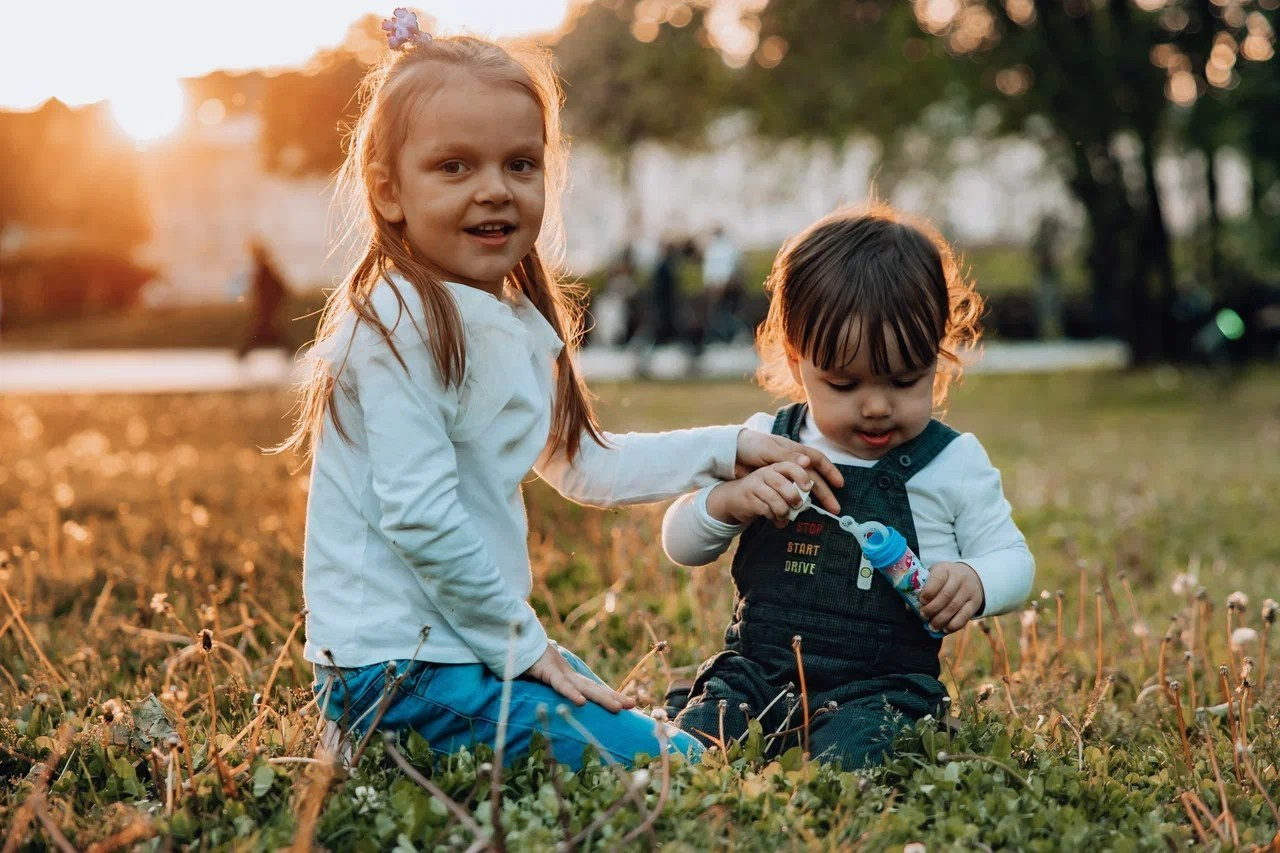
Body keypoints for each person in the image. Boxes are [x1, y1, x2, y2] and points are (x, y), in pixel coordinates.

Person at [272, 11, 845, 772]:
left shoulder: (503, 318)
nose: (495, 191)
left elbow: (584, 463)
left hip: (455, 646)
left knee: (628, 723)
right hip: (397, 670)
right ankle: (371, 741)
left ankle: (399, 743)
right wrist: (522, 644)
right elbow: (421, 516)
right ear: (388, 191)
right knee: (674, 765)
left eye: (520, 164)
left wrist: (728, 448)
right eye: (454, 167)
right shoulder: (398, 326)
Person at [660, 205, 1035, 768]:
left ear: (938, 351)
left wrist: (977, 580)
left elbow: (1014, 558)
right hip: (757, 675)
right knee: (694, 746)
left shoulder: (951, 461)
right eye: (843, 383)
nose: (878, 405)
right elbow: (680, 542)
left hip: (880, 687)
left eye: (905, 380)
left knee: (849, 759)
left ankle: (845, 751)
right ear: (797, 360)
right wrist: (730, 502)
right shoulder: (766, 441)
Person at [237, 239, 290, 358]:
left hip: (267, 306)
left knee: (262, 329)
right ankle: (289, 348)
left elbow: (271, 289)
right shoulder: (264, 269)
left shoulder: (264, 269)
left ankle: (242, 353)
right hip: (267, 306)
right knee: (267, 329)